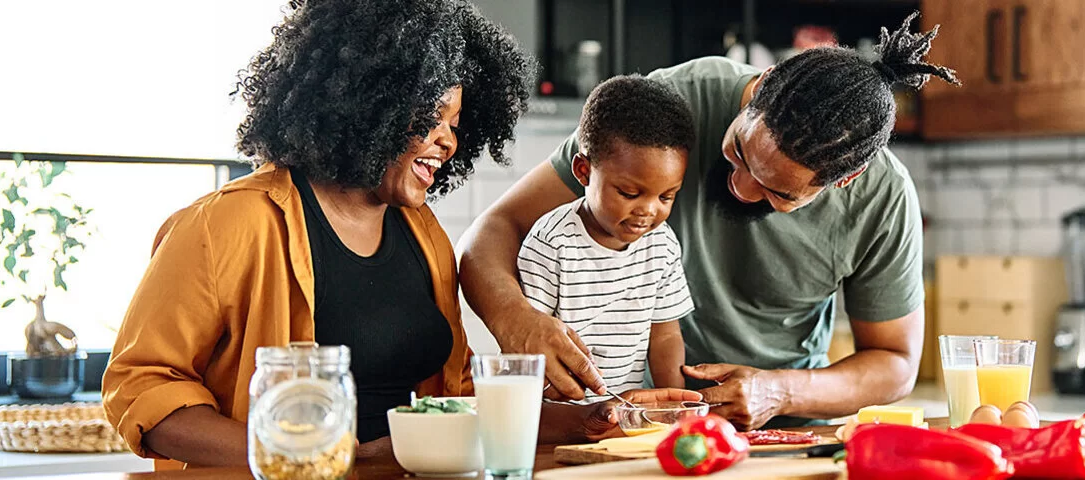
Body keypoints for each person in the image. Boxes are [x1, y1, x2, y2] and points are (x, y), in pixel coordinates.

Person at [101, 0, 692, 468]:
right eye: (429, 120)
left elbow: (457, 401)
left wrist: (590, 416)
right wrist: (318, 458)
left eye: (455, 125)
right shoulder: (226, 225)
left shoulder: (423, 233)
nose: (449, 141)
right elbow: (141, 387)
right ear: (363, 105)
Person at [459, 12, 959, 430]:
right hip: (625, 423)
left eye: (778, 192)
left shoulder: (883, 198)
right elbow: (493, 231)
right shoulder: (669, 106)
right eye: (739, 152)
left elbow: (895, 364)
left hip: (773, 435)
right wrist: (517, 322)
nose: (741, 186)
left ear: (843, 181)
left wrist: (779, 391)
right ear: (760, 86)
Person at [518, 75, 696, 404]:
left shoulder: (662, 244)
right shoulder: (551, 243)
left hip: (626, 414)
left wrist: (676, 407)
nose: (648, 211)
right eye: (629, 193)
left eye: (667, 197)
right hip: (558, 416)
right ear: (583, 171)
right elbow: (527, 348)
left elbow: (666, 336)